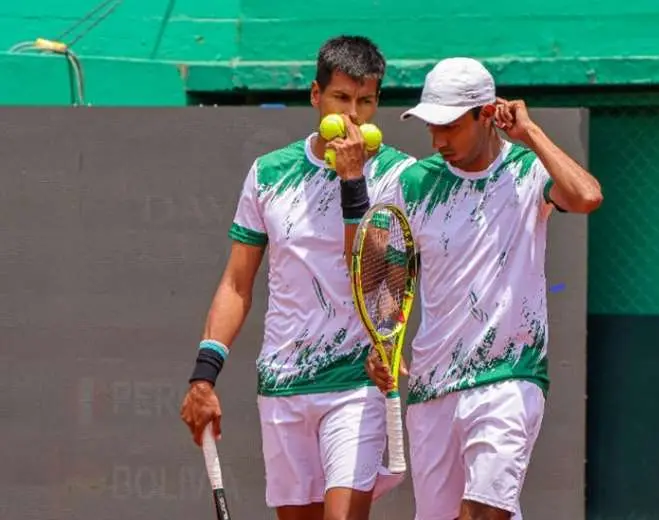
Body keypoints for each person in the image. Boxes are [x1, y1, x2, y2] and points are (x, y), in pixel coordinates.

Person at [340, 57, 602, 520]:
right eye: (431, 128)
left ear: (487, 114)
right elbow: (380, 269)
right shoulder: (412, 183)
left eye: (450, 126)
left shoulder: (527, 170)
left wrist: (532, 135)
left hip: (508, 377)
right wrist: (381, 341)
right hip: (431, 387)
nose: (438, 140)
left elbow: (586, 197)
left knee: (484, 512)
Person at [179, 35, 415, 520]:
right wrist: (204, 377)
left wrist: (354, 181)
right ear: (316, 96)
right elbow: (236, 284)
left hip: (356, 383)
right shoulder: (269, 174)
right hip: (284, 384)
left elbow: (378, 278)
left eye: (366, 102)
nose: (354, 116)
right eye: (341, 99)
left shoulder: (396, 175)